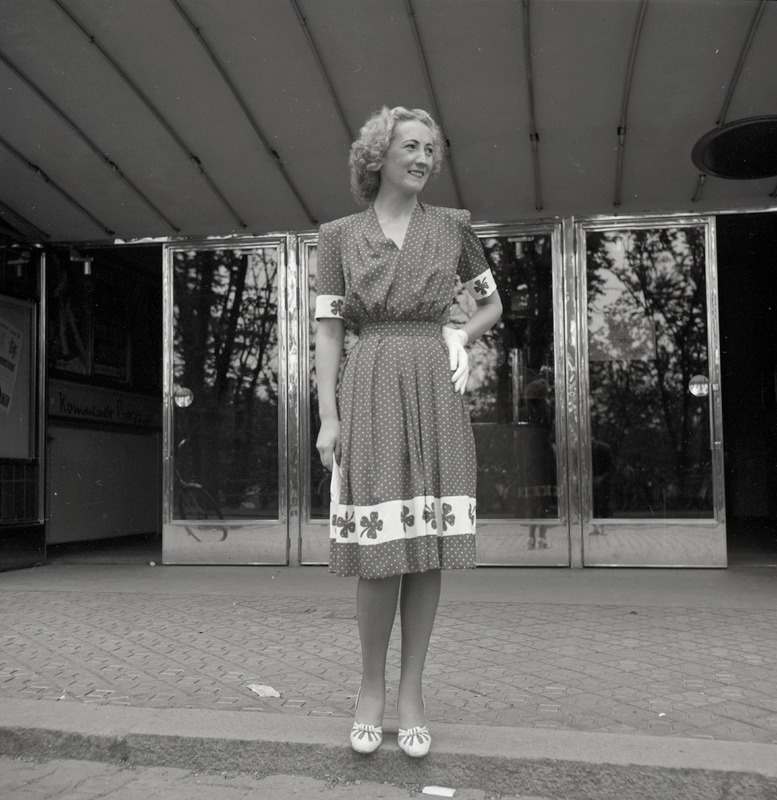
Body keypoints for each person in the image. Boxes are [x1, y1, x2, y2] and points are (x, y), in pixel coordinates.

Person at [314, 106, 502, 758]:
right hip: (369, 383)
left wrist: (460, 334)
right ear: (378, 156)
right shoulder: (337, 237)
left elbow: (492, 303)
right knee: (379, 545)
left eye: (430, 149)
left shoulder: (453, 228)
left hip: (434, 384)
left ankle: (411, 694)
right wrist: (328, 416)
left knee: (426, 547)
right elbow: (329, 330)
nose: (423, 158)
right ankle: (370, 689)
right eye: (411, 147)